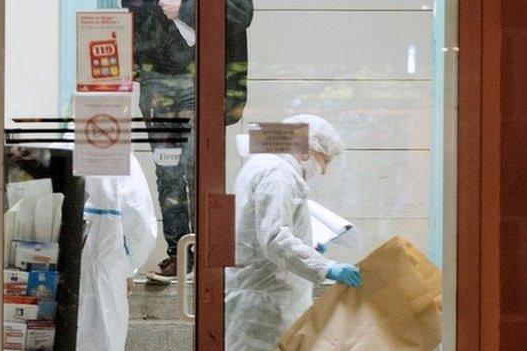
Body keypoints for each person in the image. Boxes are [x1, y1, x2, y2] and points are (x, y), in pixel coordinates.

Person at [124, 0, 253, 282]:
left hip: (204, 76)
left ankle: (210, 256)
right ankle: (180, 256)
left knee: (201, 168)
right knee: (168, 172)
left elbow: (241, 13)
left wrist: (185, 8)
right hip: (156, 78)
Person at [225, 114, 363, 351]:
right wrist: (327, 267)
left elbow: (262, 232)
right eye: (325, 160)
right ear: (310, 148)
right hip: (266, 304)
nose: (323, 170)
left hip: (261, 295)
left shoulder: (264, 165)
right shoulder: (278, 173)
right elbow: (275, 238)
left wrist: (307, 250)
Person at [76, 154, 158, 351]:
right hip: (106, 275)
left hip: (58, 272)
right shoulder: (120, 157)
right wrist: (127, 267)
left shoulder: (56, 146)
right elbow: (140, 225)